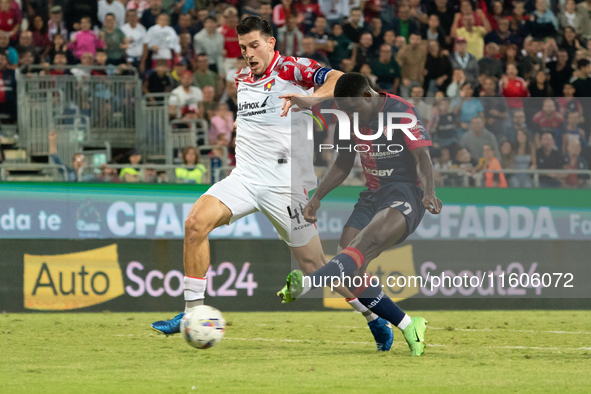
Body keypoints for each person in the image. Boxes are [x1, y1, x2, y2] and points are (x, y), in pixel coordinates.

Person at [151, 16, 396, 352]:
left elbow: (339, 79)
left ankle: (373, 317)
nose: (249, 53)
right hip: (245, 178)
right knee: (194, 225)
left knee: (314, 265)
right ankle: (190, 313)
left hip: (285, 185)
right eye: (243, 48)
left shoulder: (292, 68)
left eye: (254, 45)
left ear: (270, 44)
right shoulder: (241, 78)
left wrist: (312, 99)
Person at [277, 72, 442, 357]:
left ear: (367, 96)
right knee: (351, 272)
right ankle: (408, 324)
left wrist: (429, 191)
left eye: (352, 109)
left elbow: (423, 157)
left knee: (361, 246)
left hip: (404, 196)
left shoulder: (402, 111)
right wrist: (317, 198)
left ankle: (308, 284)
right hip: (371, 197)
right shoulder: (348, 117)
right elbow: (342, 163)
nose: (350, 116)